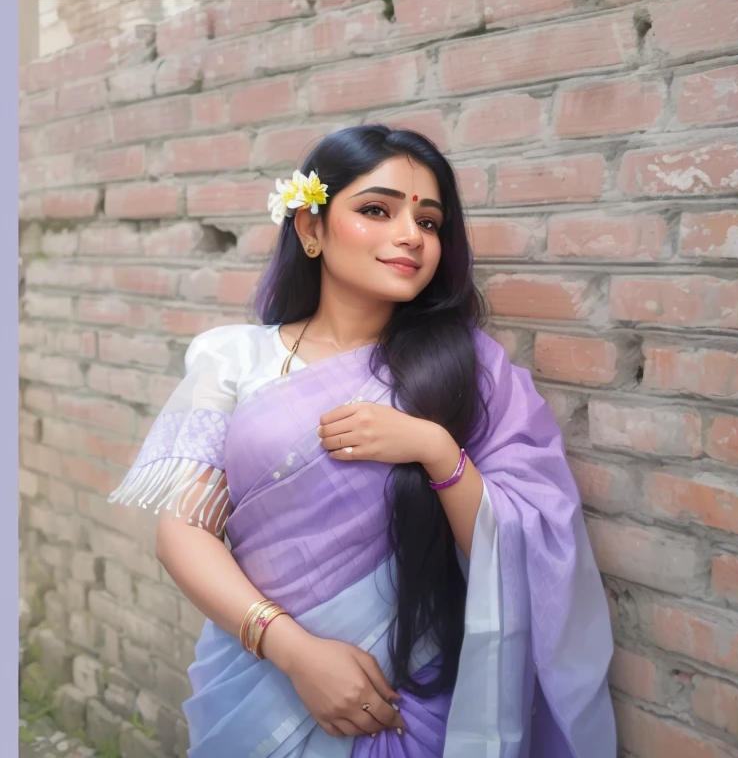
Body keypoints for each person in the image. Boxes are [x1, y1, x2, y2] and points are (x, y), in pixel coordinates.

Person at [108, 124, 616, 757]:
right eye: (377, 210)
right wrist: (295, 653)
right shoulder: (235, 359)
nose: (410, 235)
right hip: (260, 679)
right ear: (311, 229)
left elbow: (528, 535)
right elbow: (182, 532)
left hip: (411, 696)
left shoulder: (472, 370)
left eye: (429, 222)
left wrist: (436, 449)